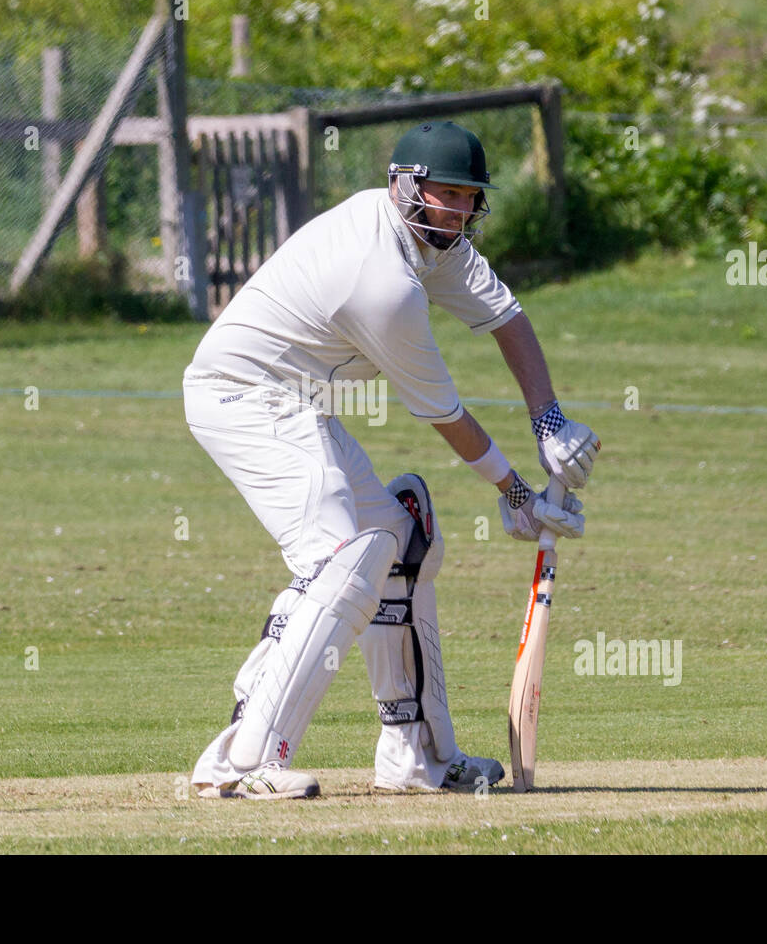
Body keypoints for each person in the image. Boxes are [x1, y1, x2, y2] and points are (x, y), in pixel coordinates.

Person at [182, 121, 600, 799]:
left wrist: (549, 422)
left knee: (402, 537)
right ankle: (239, 759)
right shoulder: (382, 281)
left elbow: (506, 317)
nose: (460, 211)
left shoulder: (443, 245)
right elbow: (443, 414)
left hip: (298, 400)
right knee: (345, 553)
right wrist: (520, 494)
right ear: (405, 186)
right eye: (446, 195)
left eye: (470, 198)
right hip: (243, 396)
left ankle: (413, 756)